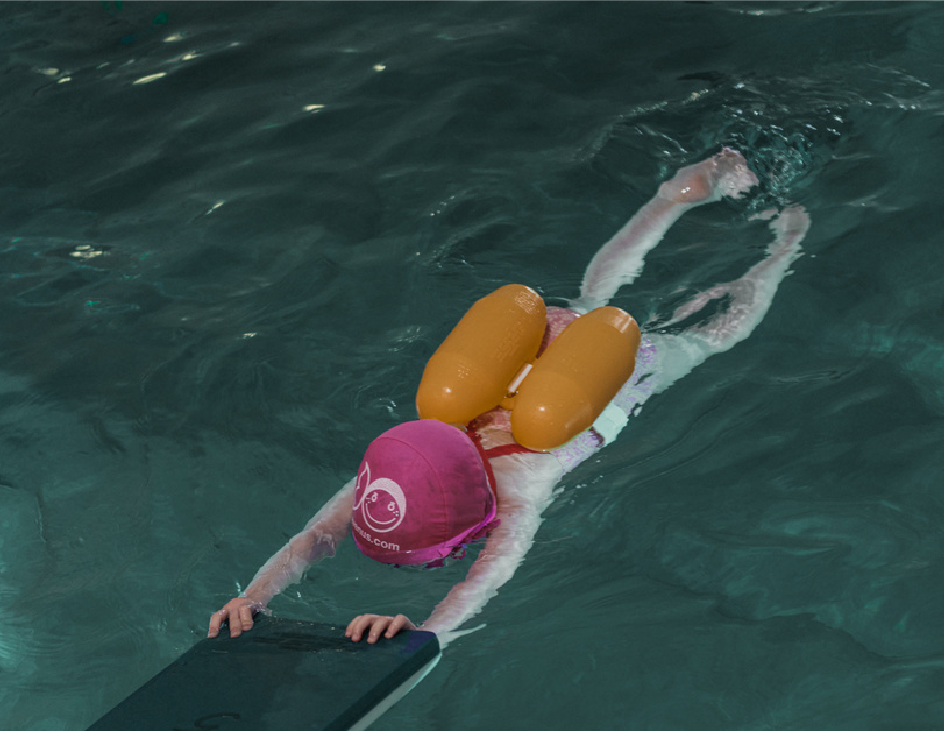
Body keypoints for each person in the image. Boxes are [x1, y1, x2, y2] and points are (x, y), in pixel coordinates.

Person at [208, 148, 809, 646]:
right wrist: (253, 599)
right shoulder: (411, 461)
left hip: (622, 370)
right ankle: (678, 200)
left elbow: (477, 579)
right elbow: (322, 537)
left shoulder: (517, 494)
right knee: (591, 301)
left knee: (713, 335)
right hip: (543, 341)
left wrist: (426, 632)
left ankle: (784, 244)